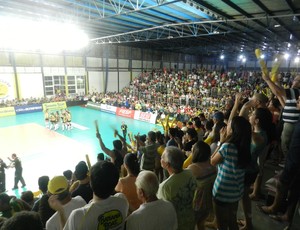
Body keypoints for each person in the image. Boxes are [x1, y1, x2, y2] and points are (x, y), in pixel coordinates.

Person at [210, 116, 252, 230]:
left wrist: (221, 142)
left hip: (222, 192)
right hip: (235, 192)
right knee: (232, 220)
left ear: (233, 130)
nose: (226, 126)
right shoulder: (245, 147)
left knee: (221, 224)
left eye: (229, 125)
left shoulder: (227, 147)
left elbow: (212, 161)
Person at [64, 161, 129, 229]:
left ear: (91, 183)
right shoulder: (122, 202)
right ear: (115, 184)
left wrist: (60, 210)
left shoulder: (78, 216)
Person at [158, 146, 197, 230]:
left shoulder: (165, 187)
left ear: (167, 164)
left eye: (162, 157)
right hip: (190, 219)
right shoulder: (190, 173)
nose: (160, 159)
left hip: (175, 225)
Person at [187, 141, 216, 230]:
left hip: (197, 203)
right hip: (208, 201)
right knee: (201, 222)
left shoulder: (193, 168)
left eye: (193, 147)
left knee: (192, 224)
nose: (192, 146)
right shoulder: (212, 165)